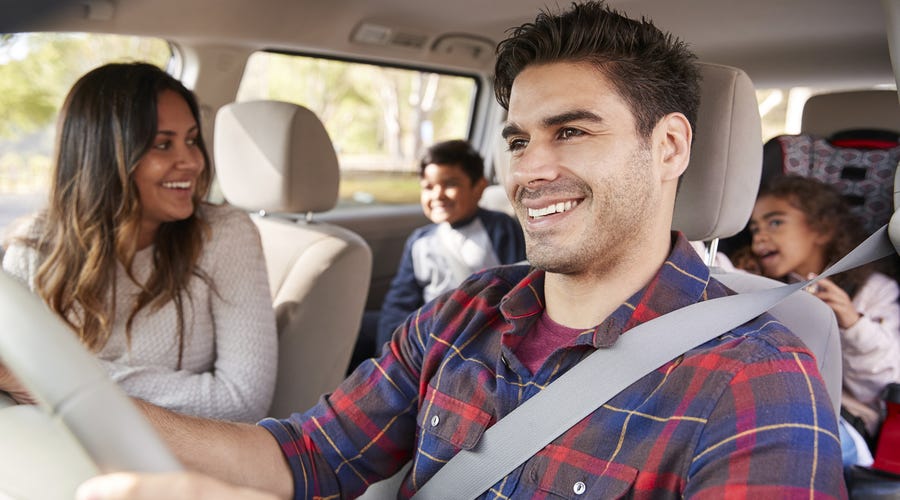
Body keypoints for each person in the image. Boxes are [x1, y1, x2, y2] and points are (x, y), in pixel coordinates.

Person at [74, 3, 846, 498]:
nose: (531, 170)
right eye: (517, 139)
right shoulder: (463, 316)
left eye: (571, 130)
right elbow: (309, 456)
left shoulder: (754, 381)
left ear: (669, 144)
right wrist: (79, 398)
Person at [0, 62, 277, 423]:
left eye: (192, 140)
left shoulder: (224, 235)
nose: (192, 161)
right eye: (163, 145)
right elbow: (11, 380)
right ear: (102, 158)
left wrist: (63, 380)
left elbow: (242, 400)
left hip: (181, 464)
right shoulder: (34, 249)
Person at [746, 175, 900, 447]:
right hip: (770, 402)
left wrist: (853, 324)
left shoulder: (872, 290)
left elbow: (882, 382)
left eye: (775, 222)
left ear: (821, 229)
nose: (760, 236)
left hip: (844, 417)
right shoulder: (756, 285)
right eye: (754, 228)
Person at [376, 139, 526, 346]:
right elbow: (399, 302)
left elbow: (518, 288)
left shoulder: (499, 228)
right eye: (428, 187)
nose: (437, 195)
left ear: (479, 187)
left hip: (478, 331)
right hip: (427, 332)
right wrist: (390, 347)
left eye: (450, 184)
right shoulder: (419, 241)